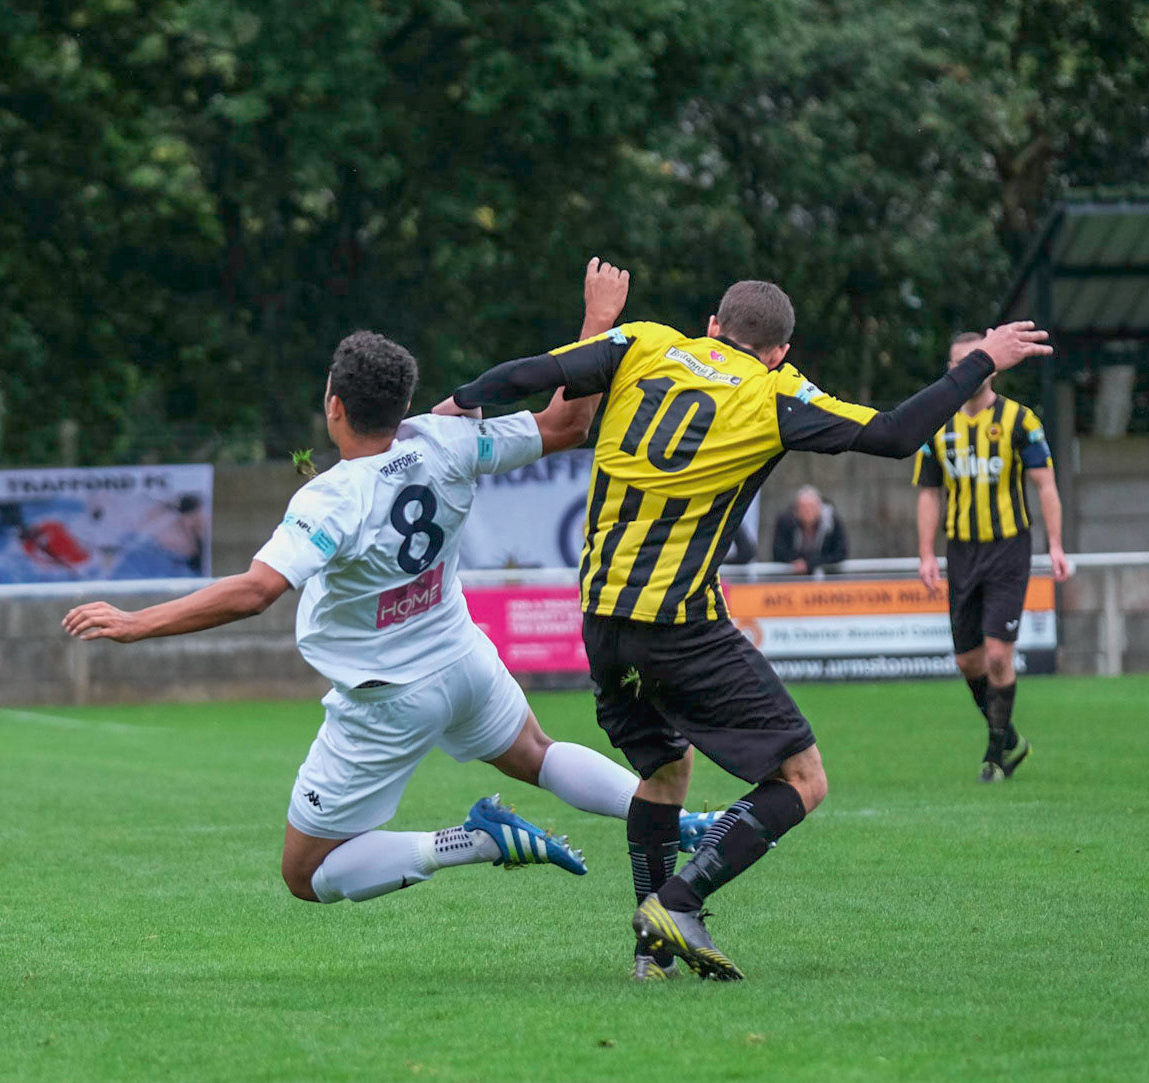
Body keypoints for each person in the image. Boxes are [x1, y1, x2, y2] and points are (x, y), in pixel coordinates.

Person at [64, 264, 718, 911]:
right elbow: (565, 425)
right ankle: (675, 817)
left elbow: (256, 591)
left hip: (388, 696)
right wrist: (598, 322)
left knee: (305, 871)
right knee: (536, 753)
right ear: (403, 404)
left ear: (335, 405)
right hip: (462, 658)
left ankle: (470, 840)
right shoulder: (447, 441)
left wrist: (135, 621)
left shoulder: (331, 496)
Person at [450, 280, 1051, 980]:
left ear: (711, 324)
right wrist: (983, 361)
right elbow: (892, 433)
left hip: (601, 621)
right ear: (780, 351)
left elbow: (535, 372)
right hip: (679, 625)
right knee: (802, 776)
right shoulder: (774, 392)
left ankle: (653, 949)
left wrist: (459, 401)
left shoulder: (646, 343)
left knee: (664, 769)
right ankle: (679, 901)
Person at [914, 332, 1070, 782]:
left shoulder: (1021, 420)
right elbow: (928, 493)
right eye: (959, 363)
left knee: (999, 654)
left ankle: (995, 754)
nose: (967, 370)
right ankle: (1010, 736)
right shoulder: (938, 425)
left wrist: (1056, 545)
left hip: (1008, 548)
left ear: (992, 367)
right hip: (961, 551)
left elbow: (1045, 485)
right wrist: (925, 553)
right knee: (968, 661)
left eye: (976, 361)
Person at [771, 485, 848, 574]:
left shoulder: (832, 522)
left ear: (819, 507)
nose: (807, 511)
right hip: (792, 577)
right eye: (803, 507)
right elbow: (778, 551)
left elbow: (841, 552)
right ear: (796, 509)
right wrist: (794, 562)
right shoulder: (785, 521)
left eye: (811, 507)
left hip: (827, 577)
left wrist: (810, 564)